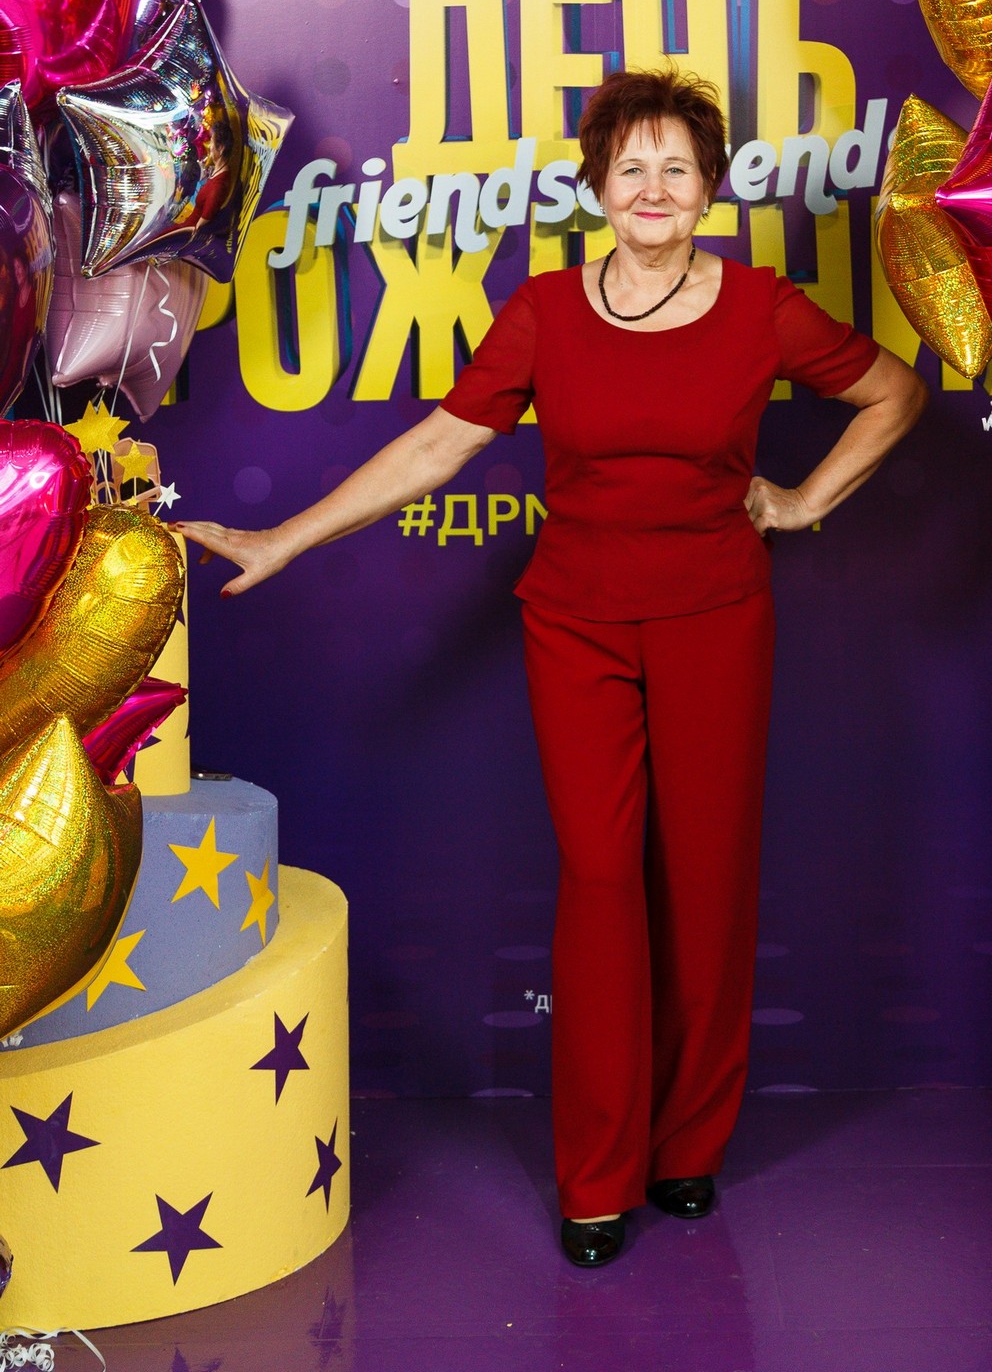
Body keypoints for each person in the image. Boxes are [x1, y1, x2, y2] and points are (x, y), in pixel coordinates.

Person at [175, 67, 927, 1268]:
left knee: (706, 883)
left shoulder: (760, 306)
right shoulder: (542, 311)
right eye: (630, 167)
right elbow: (436, 445)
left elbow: (893, 390)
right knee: (599, 878)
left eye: (675, 168)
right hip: (575, 625)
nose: (652, 188)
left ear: (709, 189)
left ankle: (686, 1145)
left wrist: (799, 499)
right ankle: (597, 1175)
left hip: (715, 619)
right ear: (597, 187)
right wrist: (283, 536)